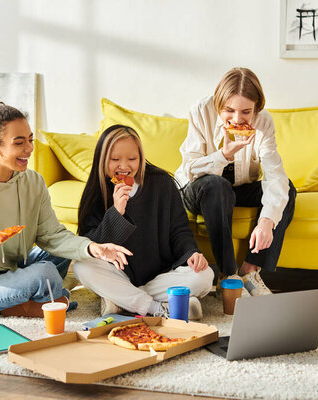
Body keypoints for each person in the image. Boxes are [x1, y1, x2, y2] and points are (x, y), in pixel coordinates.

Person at [0, 101, 131, 317]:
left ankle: (26, 301)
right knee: (45, 272)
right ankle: (40, 301)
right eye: (19, 143)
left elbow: (53, 236)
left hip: (13, 269)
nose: (29, 149)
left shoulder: (33, 182)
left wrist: (94, 248)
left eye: (30, 140)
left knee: (63, 252)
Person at [175, 67, 296, 296]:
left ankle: (250, 270)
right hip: (199, 188)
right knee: (217, 185)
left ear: (257, 109)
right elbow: (191, 169)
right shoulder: (201, 111)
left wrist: (266, 222)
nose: (237, 119)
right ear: (218, 104)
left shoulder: (264, 122)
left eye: (246, 112)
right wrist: (224, 155)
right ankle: (227, 275)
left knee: (287, 187)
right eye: (229, 110)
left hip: (237, 188)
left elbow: (275, 176)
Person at [73, 125, 214, 319]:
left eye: (132, 159)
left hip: (160, 275)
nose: (124, 166)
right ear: (102, 160)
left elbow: (179, 230)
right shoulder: (96, 191)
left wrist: (192, 252)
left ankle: (122, 300)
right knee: (82, 268)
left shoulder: (161, 183)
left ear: (141, 158)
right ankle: (156, 308)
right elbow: (93, 247)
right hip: (118, 274)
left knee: (205, 276)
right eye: (115, 159)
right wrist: (116, 212)